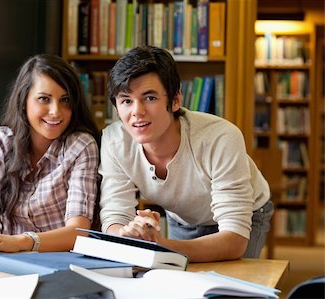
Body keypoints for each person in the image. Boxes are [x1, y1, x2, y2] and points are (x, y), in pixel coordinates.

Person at [99, 46, 274, 262]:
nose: (137, 111)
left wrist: (162, 246)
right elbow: (114, 216)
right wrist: (130, 235)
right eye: (126, 100)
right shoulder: (114, 141)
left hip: (247, 215)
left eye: (150, 98)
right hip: (183, 216)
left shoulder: (220, 137)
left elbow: (235, 240)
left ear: (175, 101)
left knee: (230, 288)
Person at [0, 54, 101, 253]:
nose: (56, 111)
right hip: (5, 262)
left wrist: (22, 242)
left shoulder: (80, 146)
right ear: (24, 101)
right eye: (44, 99)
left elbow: (78, 231)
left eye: (65, 100)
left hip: (62, 265)